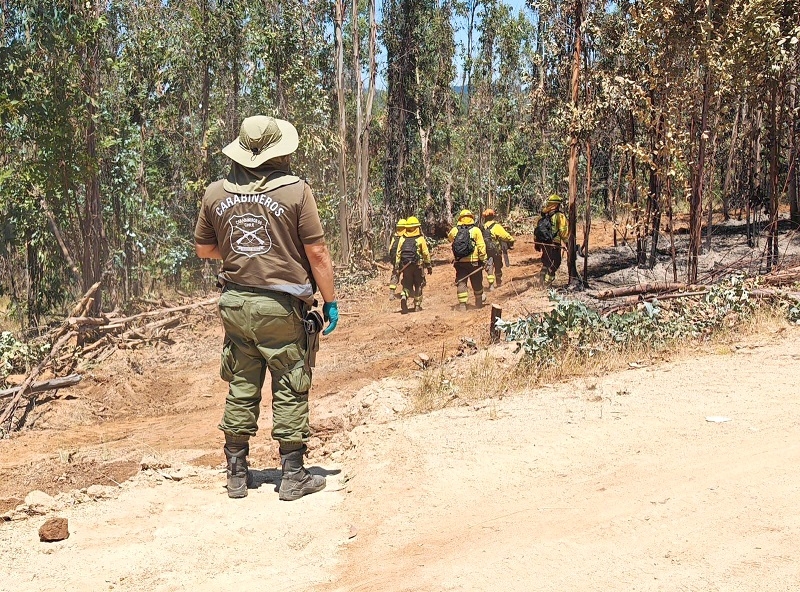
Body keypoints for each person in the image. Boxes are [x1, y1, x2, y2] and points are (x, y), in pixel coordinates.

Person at [194, 115, 338, 502]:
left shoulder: (215, 194)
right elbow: (318, 254)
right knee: (291, 381)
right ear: (280, 153)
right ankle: (293, 475)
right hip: (280, 305)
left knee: (242, 383)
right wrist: (331, 301)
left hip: (236, 302)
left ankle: (237, 474)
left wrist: (244, 250)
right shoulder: (296, 192)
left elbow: (205, 249)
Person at [448, 209, 488, 311]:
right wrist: (483, 260)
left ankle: (462, 305)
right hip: (474, 262)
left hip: (460, 262)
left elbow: (450, 239)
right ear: (471, 218)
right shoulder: (476, 230)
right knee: (477, 281)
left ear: (460, 219)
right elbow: (481, 246)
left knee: (461, 282)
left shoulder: (454, 230)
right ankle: (478, 302)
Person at [394, 216, 431, 313]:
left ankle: (403, 296)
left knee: (407, 283)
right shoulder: (420, 239)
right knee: (419, 284)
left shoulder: (402, 238)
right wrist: (428, 265)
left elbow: (398, 253)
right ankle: (417, 305)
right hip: (417, 266)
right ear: (417, 227)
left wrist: (397, 266)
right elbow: (426, 253)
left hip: (405, 267)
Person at [534, 194, 568, 286]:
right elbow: (563, 231)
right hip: (554, 244)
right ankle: (547, 284)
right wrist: (567, 243)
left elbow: (536, 230)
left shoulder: (542, 216)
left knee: (546, 262)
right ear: (556, 205)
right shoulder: (559, 216)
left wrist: (537, 244)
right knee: (555, 264)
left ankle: (541, 281)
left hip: (544, 244)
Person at [481, 208, 515, 290]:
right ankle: (498, 283)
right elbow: (505, 236)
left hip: (485, 250)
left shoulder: (482, 227)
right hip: (495, 250)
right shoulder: (496, 226)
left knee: (489, 266)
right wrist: (512, 240)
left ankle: (491, 285)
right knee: (498, 265)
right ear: (493, 216)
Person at [387, 218, 407, 300]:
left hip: (395, 260)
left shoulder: (394, 237)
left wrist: (393, 261)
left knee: (395, 275)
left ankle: (391, 293)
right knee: (406, 276)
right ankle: (404, 294)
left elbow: (390, 249)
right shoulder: (406, 237)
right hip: (404, 260)